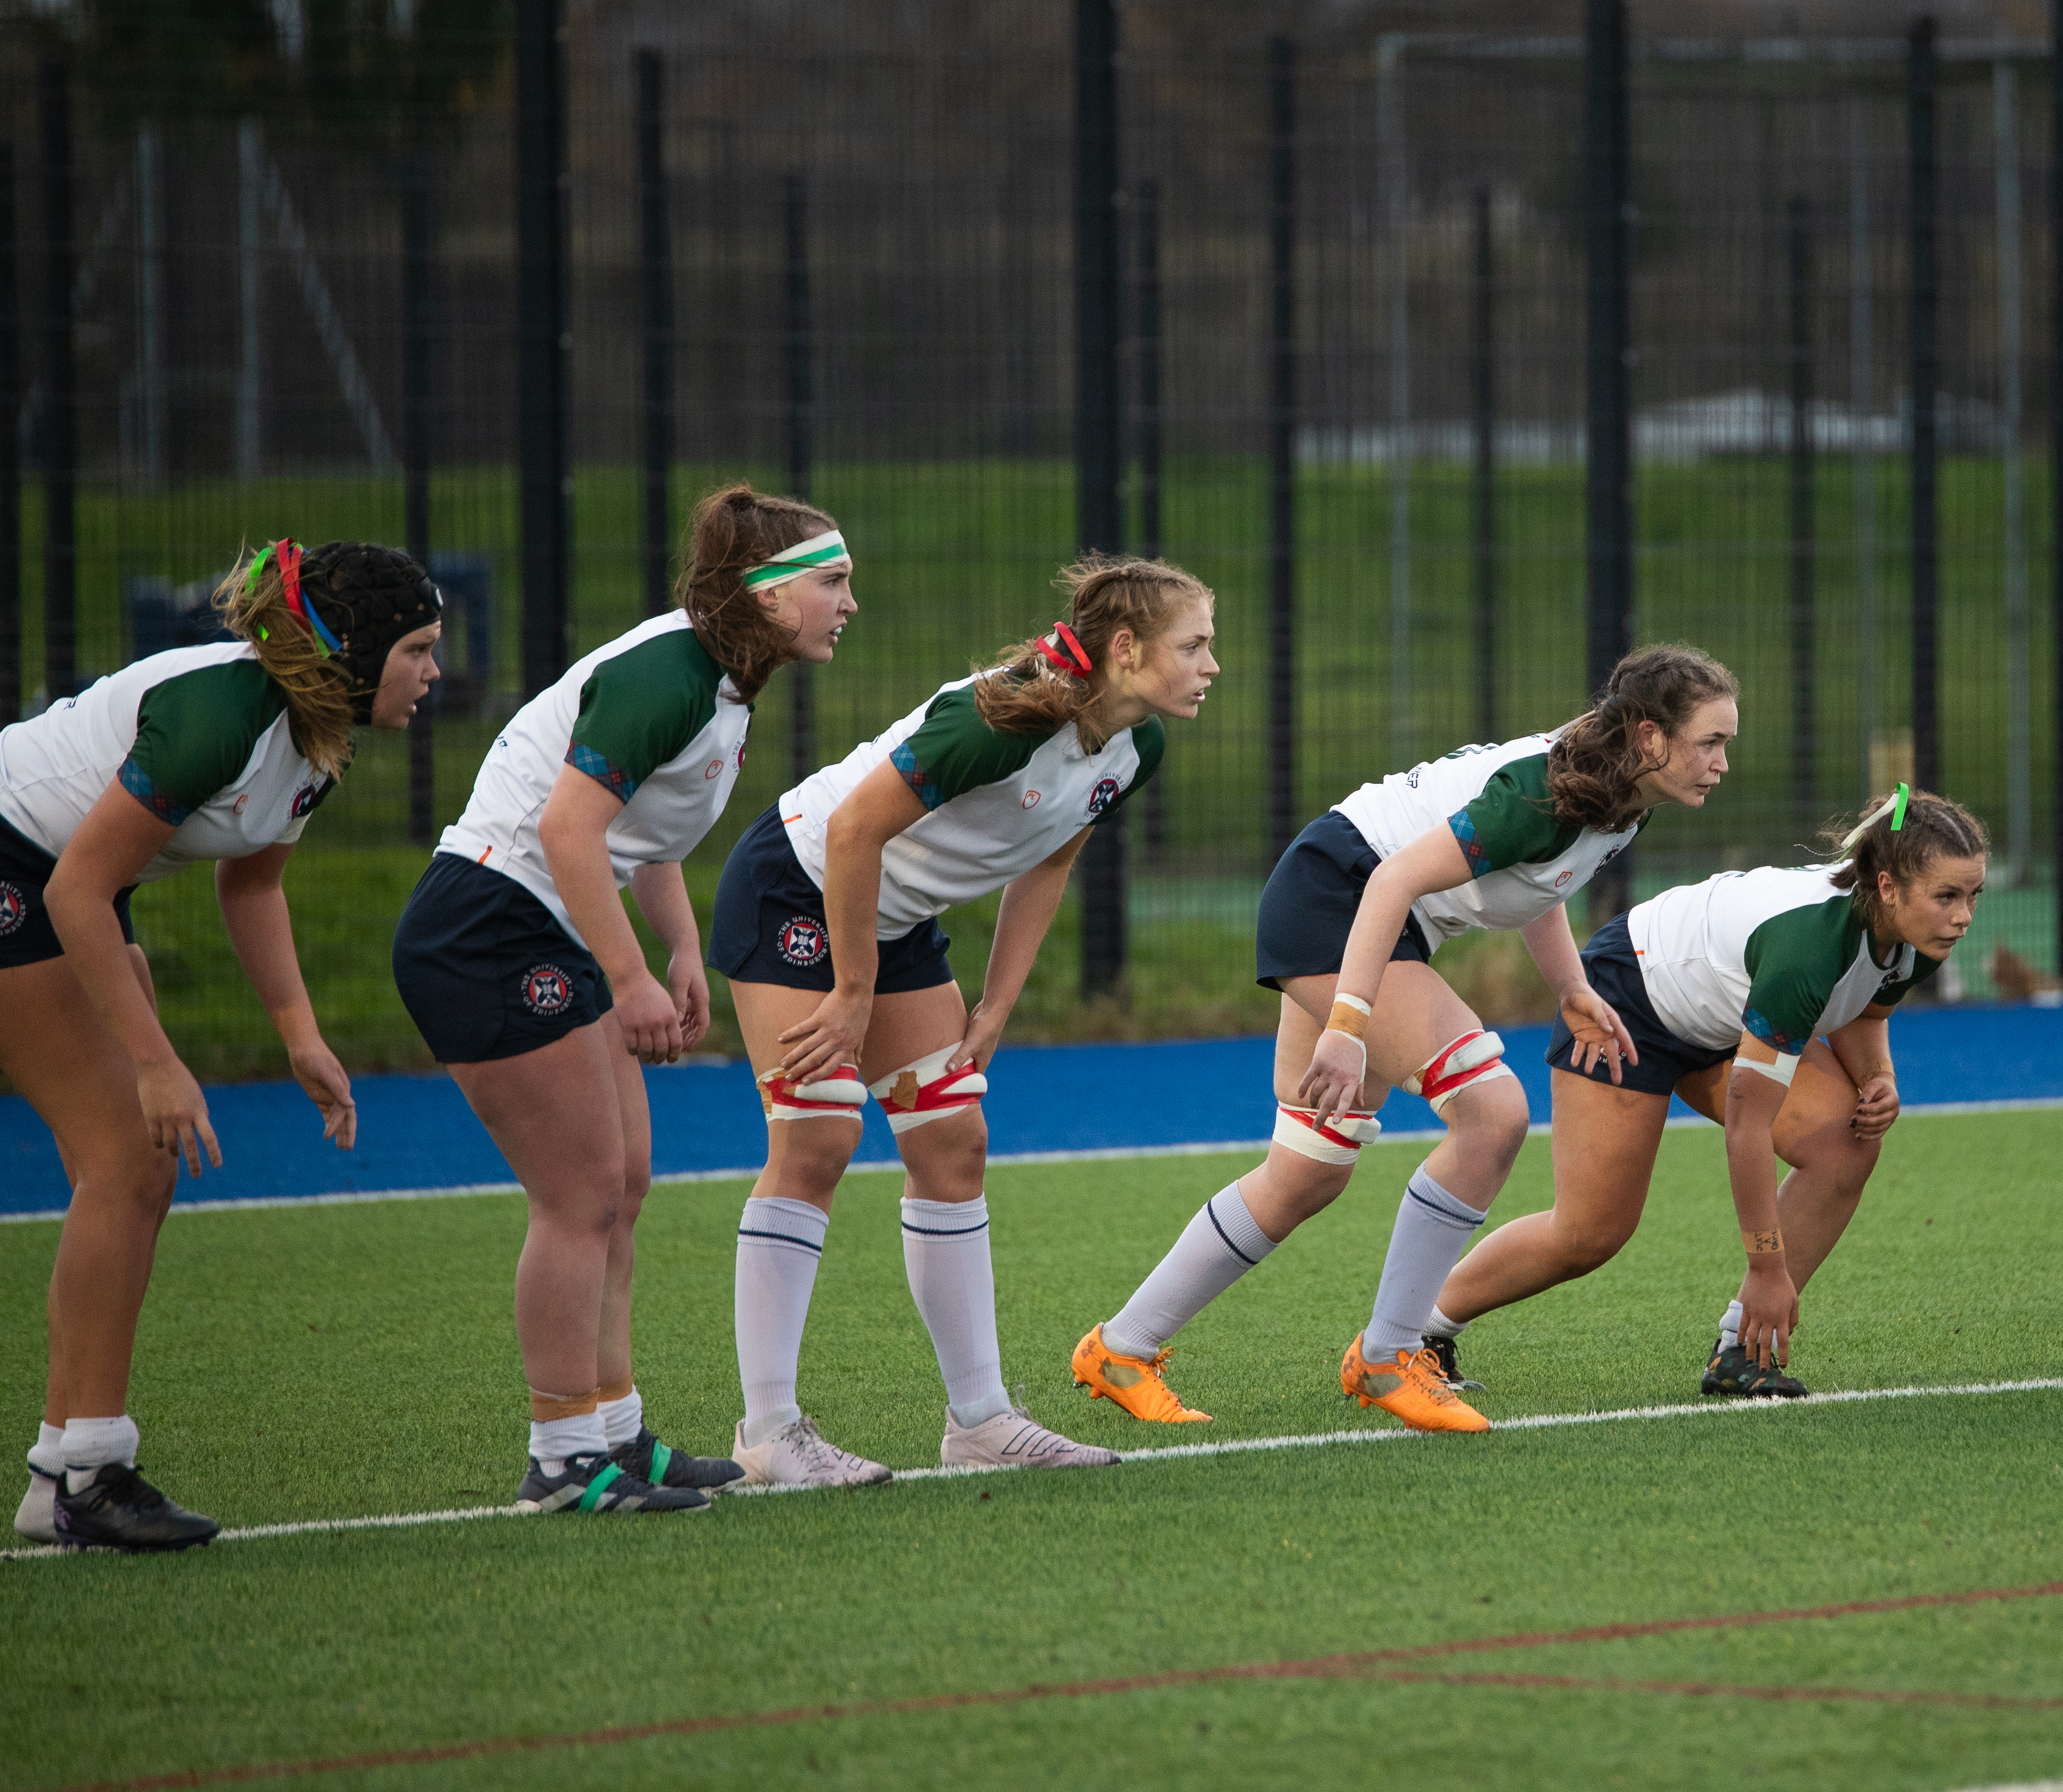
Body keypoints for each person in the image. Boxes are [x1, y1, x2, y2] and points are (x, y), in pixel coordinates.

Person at [1072, 645, 1742, 1434]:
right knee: (1493, 1116)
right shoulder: (1539, 793)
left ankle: (1121, 1349)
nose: (1723, 763)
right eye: (1711, 742)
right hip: (1339, 901)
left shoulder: (1616, 790)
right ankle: (1389, 1357)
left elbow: (1539, 883)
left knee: (1306, 1171)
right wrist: (1349, 1026)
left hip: (1354, 909)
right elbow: (1390, 883)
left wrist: (1572, 990)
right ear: (1649, 736)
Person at [391, 486, 850, 1515]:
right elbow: (566, 829)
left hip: (542, 922)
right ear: (762, 595)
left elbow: (640, 836)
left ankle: (613, 1431)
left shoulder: (721, 682)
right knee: (579, 1191)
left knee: (624, 1179)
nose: (847, 602)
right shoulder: (670, 671)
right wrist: (631, 975)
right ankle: (561, 1456)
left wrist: (681, 946)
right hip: (488, 920)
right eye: (830, 582)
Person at [714, 556, 1216, 1484]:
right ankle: (768, 1431)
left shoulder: (1135, 748)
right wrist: (854, 992)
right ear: (1126, 649)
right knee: (817, 1138)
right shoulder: (995, 717)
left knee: (954, 1142)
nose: (1210, 665)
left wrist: (996, 1003)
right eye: (1193, 645)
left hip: (887, 919)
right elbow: (851, 832)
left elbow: (1050, 860)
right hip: (796, 885)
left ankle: (981, 1419)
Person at [11, 540, 443, 1551]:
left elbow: (249, 882)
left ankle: (61, 1470)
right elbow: (76, 888)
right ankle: (89, 1472)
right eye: (417, 649)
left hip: (64, 882)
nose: (434, 672)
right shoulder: (222, 713)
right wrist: (159, 1060)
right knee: (126, 1154)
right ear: (353, 650)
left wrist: (300, 1036)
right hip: (27, 873)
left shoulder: (318, 730)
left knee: (131, 1172)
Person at [1430, 786, 1986, 1399]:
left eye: (1971, 896)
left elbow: (1864, 1008)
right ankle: (1419, 1329)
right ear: (1887, 887)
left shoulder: (1919, 935)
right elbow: (1750, 1128)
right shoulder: (1808, 947)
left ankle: (1742, 1354)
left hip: (1729, 1017)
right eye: (1948, 897)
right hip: (1630, 999)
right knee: (1589, 1233)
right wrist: (1767, 1269)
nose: (1964, 916)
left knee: (1846, 1142)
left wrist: (1880, 1078)